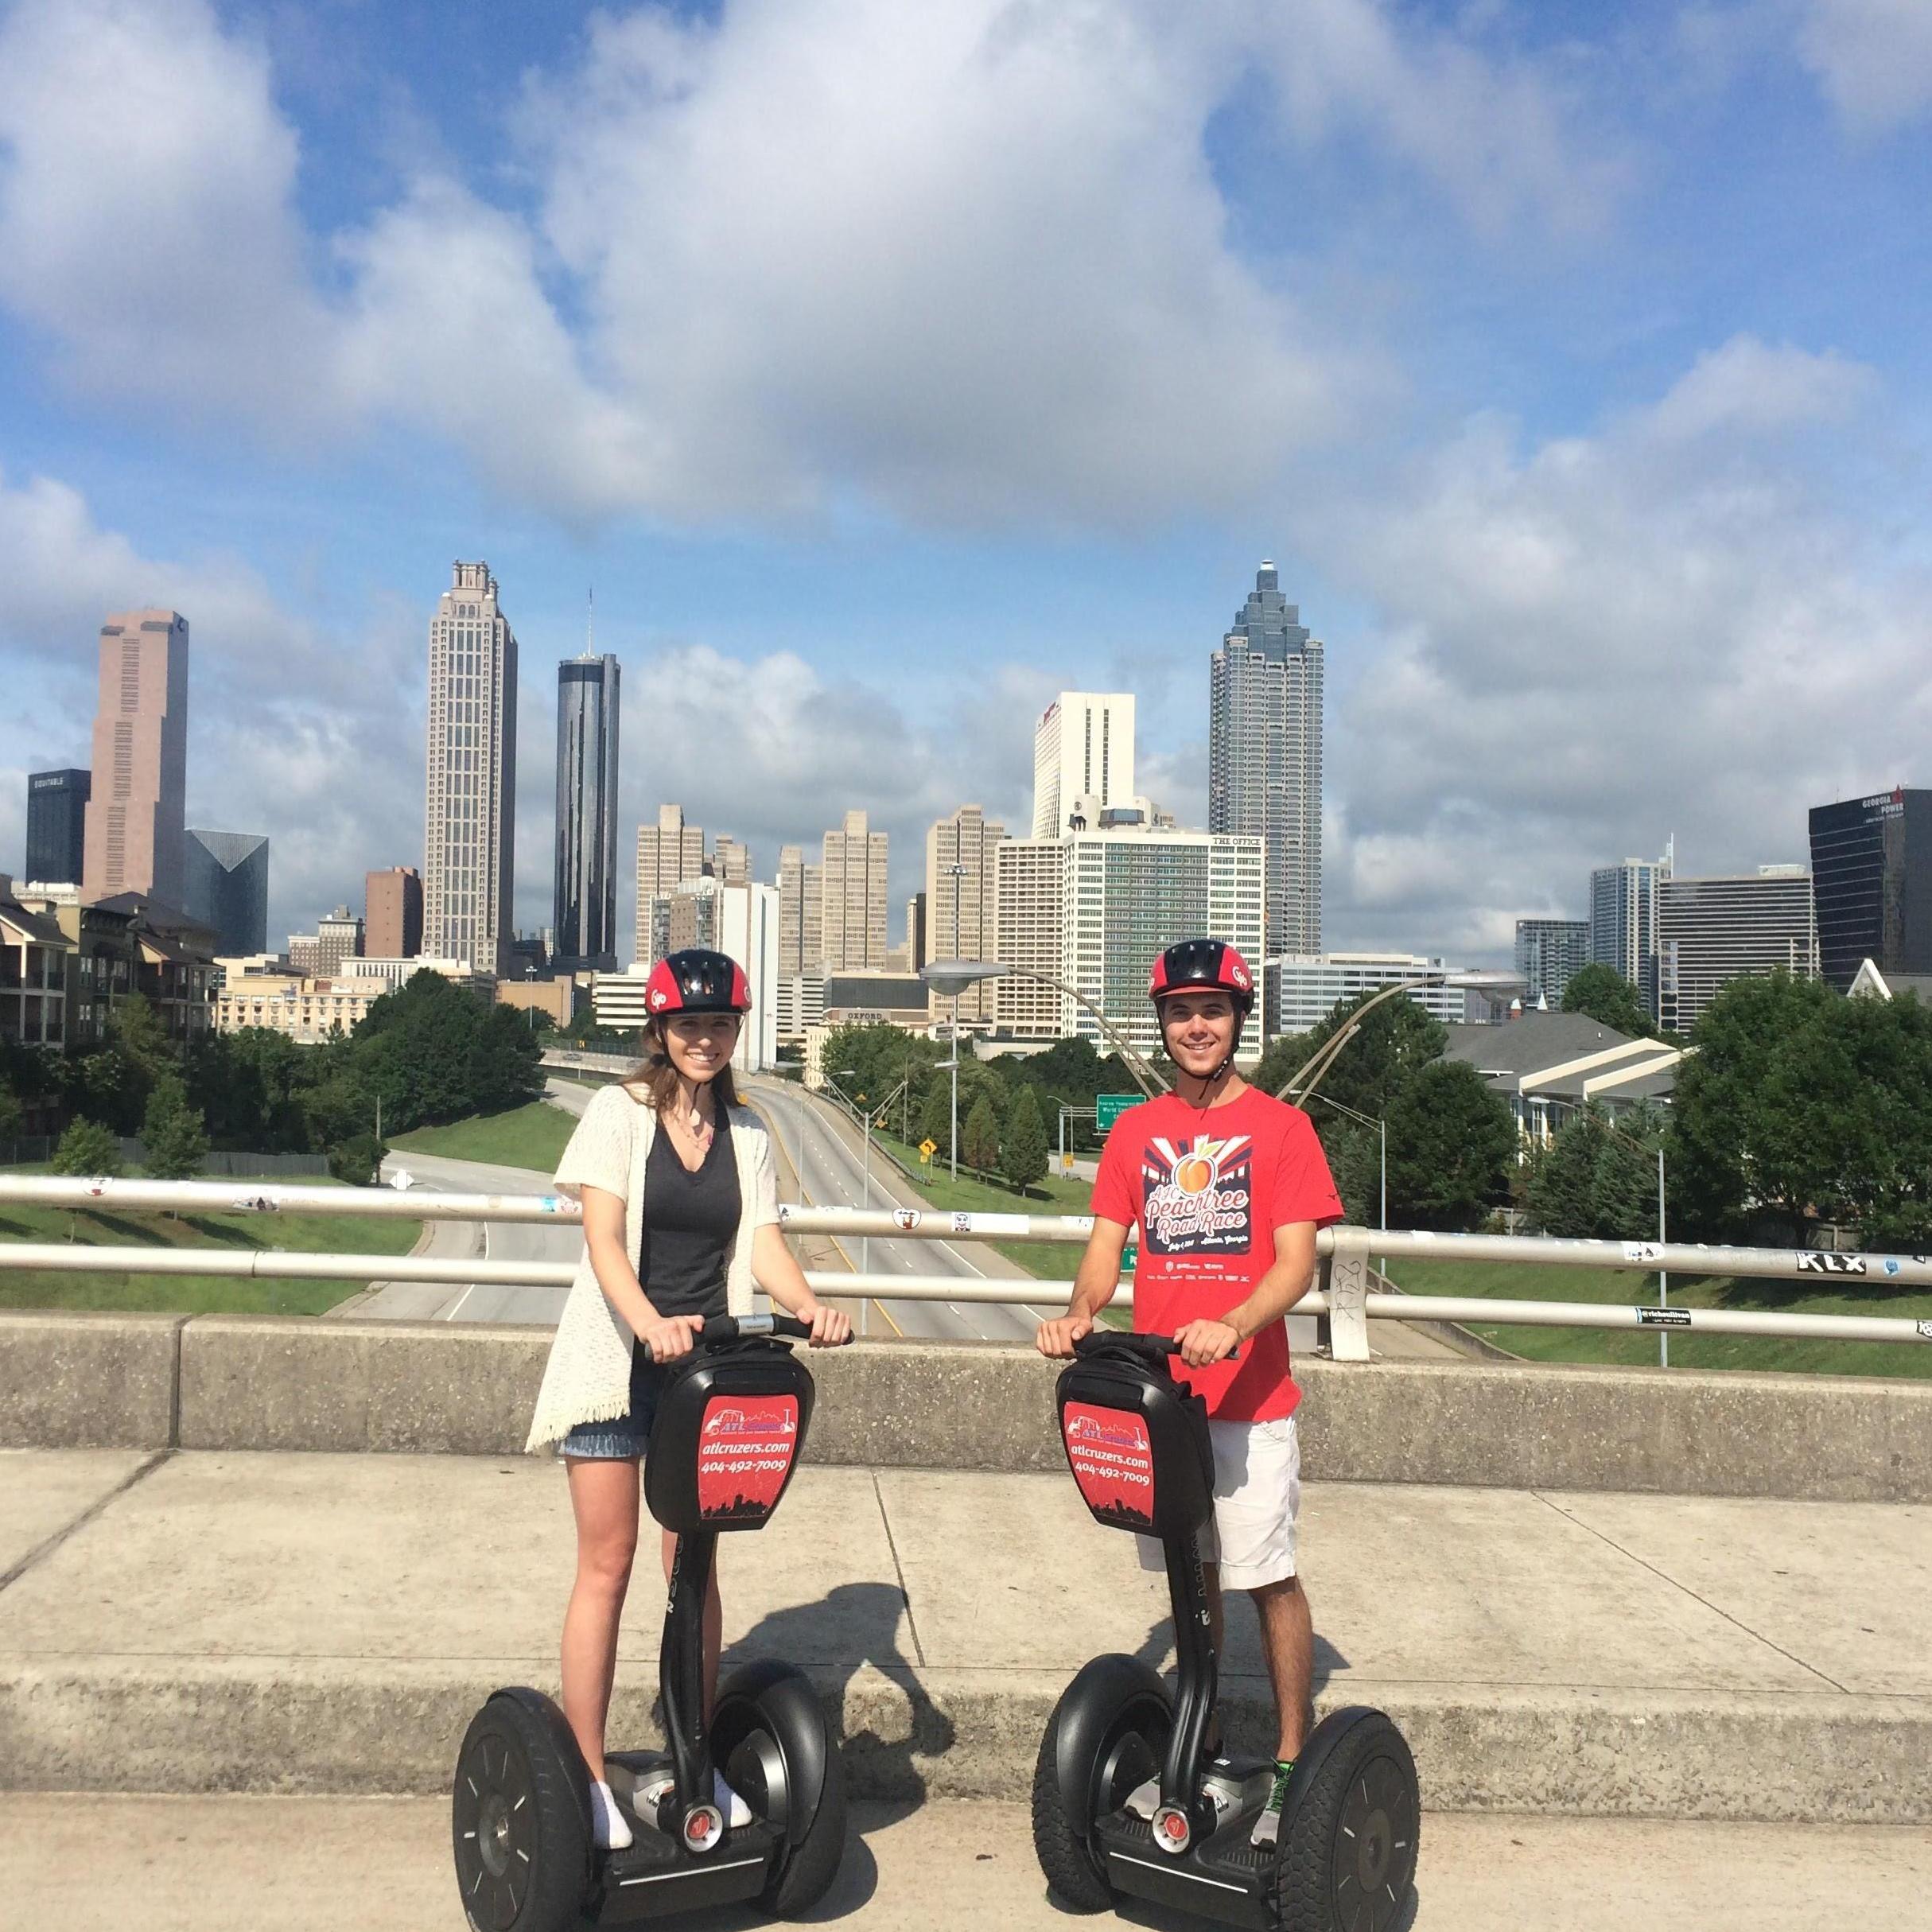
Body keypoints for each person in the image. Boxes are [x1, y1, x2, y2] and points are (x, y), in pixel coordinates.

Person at [525, 947, 852, 1851]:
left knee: (695, 1569)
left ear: (736, 1030)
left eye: (719, 1024)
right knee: (609, 1560)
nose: (703, 1038)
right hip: (615, 1362)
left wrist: (807, 1304)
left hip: (701, 1374)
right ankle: (590, 1774)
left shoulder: (746, 1132)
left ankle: (690, 1756)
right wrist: (648, 1322)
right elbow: (603, 1242)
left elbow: (763, 1242)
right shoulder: (616, 1112)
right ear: (659, 1031)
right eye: (687, 1024)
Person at [1036, 937, 1342, 1849]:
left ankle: (1290, 1761)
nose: (1196, 1025)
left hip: (1249, 1401)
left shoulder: (1283, 1130)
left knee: (1266, 1577)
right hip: (1161, 1400)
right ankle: (1198, 1743)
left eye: (1211, 1010)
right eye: (1179, 1012)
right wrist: (1077, 1314)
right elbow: (1103, 1248)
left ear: (1237, 1020)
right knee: (1190, 1577)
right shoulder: (1136, 1131)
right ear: (1161, 1025)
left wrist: (1236, 1322)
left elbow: (1296, 1262)